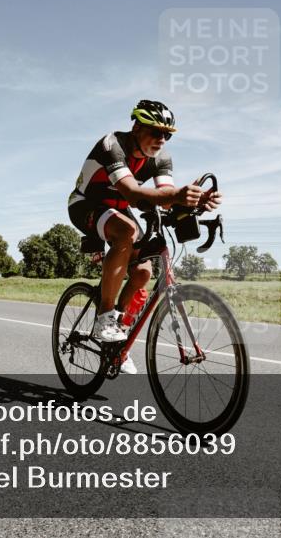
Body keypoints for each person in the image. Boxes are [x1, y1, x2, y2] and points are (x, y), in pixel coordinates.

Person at [67, 100, 221, 374]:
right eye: (155, 131)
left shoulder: (162, 159)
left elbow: (166, 197)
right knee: (125, 232)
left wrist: (194, 201)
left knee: (142, 272)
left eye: (168, 134)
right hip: (86, 204)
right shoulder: (112, 145)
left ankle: (118, 337)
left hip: (119, 210)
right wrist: (175, 197)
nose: (162, 140)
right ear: (136, 126)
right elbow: (133, 194)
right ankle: (105, 317)